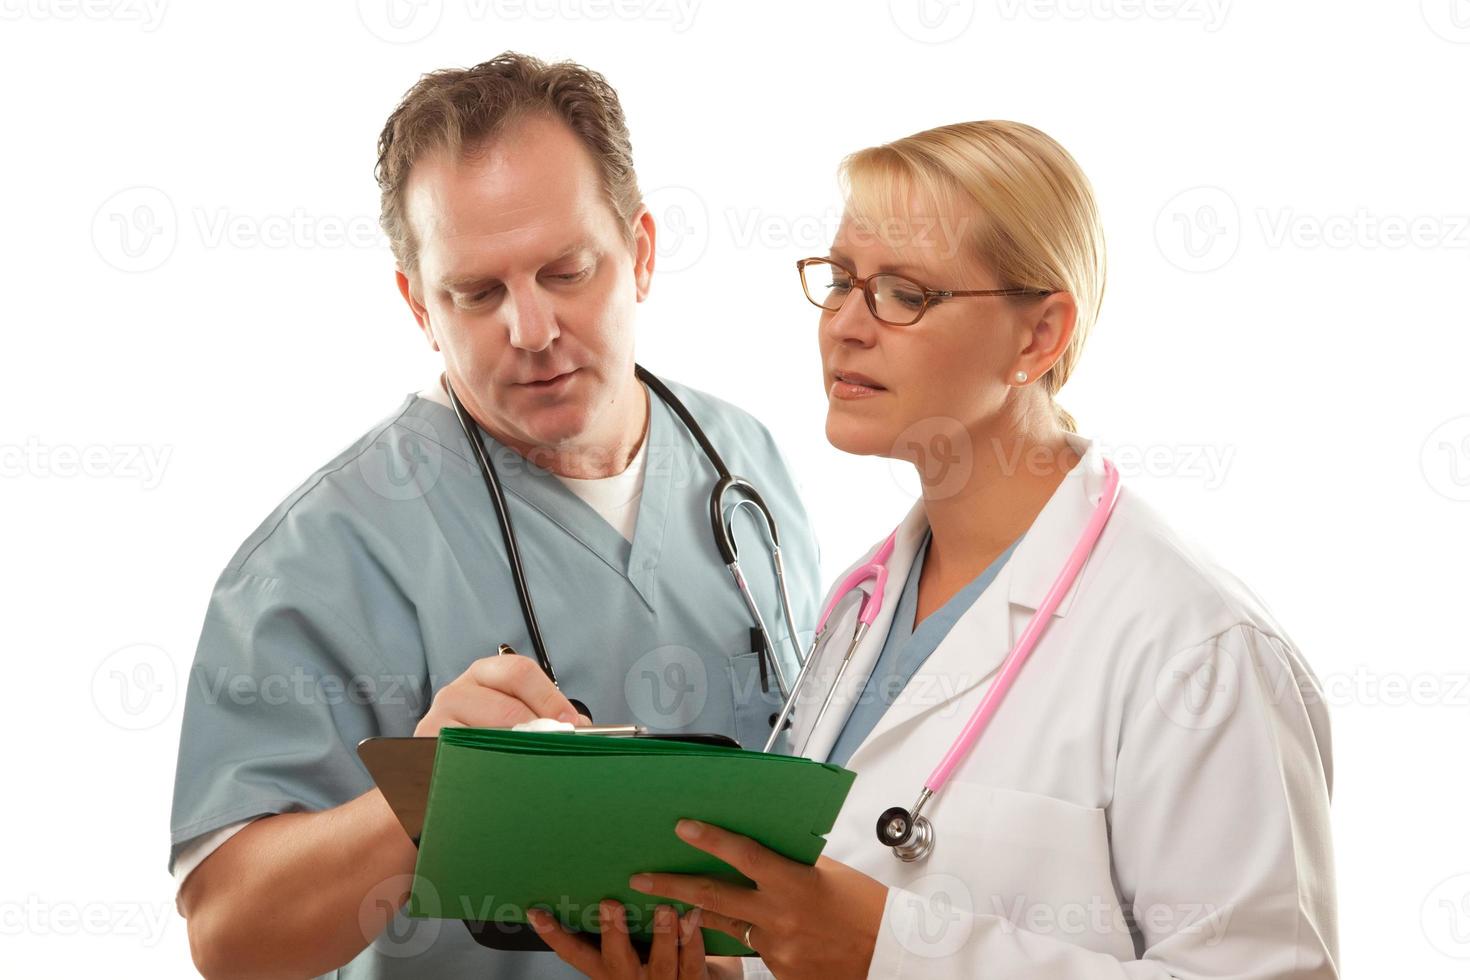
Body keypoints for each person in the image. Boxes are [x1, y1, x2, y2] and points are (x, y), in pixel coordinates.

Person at [533, 121, 1339, 978]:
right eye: (840, 280)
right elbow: (817, 929)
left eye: (904, 294)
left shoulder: (1198, 648)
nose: (844, 324)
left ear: (1039, 336)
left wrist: (893, 953)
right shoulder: (864, 602)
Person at [169, 52, 819, 979]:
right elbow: (230, 936)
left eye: (567, 271)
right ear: (417, 304)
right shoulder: (325, 552)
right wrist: (428, 792)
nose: (532, 329)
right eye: (477, 293)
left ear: (639, 251)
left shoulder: (742, 463)